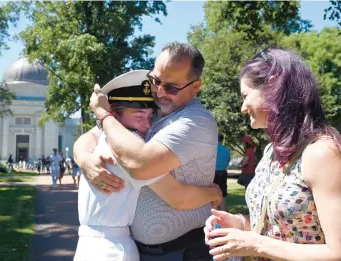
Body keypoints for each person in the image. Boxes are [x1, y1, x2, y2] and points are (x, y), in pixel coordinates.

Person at [74, 42, 218, 261]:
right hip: (133, 249)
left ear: (195, 87)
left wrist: (105, 116)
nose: (159, 92)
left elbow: (142, 165)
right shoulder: (150, 115)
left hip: (184, 249)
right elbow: (92, 135)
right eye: (155, 81)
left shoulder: (195, 120)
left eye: (171, 87)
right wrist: (84, 158)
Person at [204, 47, 341, 261]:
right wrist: (239, 223)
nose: (242, 108)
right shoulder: (270, 151)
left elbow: (337, 251)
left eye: (245, 95)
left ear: (271, 87)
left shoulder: (321, 153)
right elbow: (279, 226)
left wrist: (255, 244)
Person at [214, 133, 230, 211]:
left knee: (213, 193)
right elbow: (227, 161)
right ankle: (223, 213)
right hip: (222, 172)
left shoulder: (212, 149)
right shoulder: (226, 150)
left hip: (212, 173)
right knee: (222, 194)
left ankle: (214, 213)